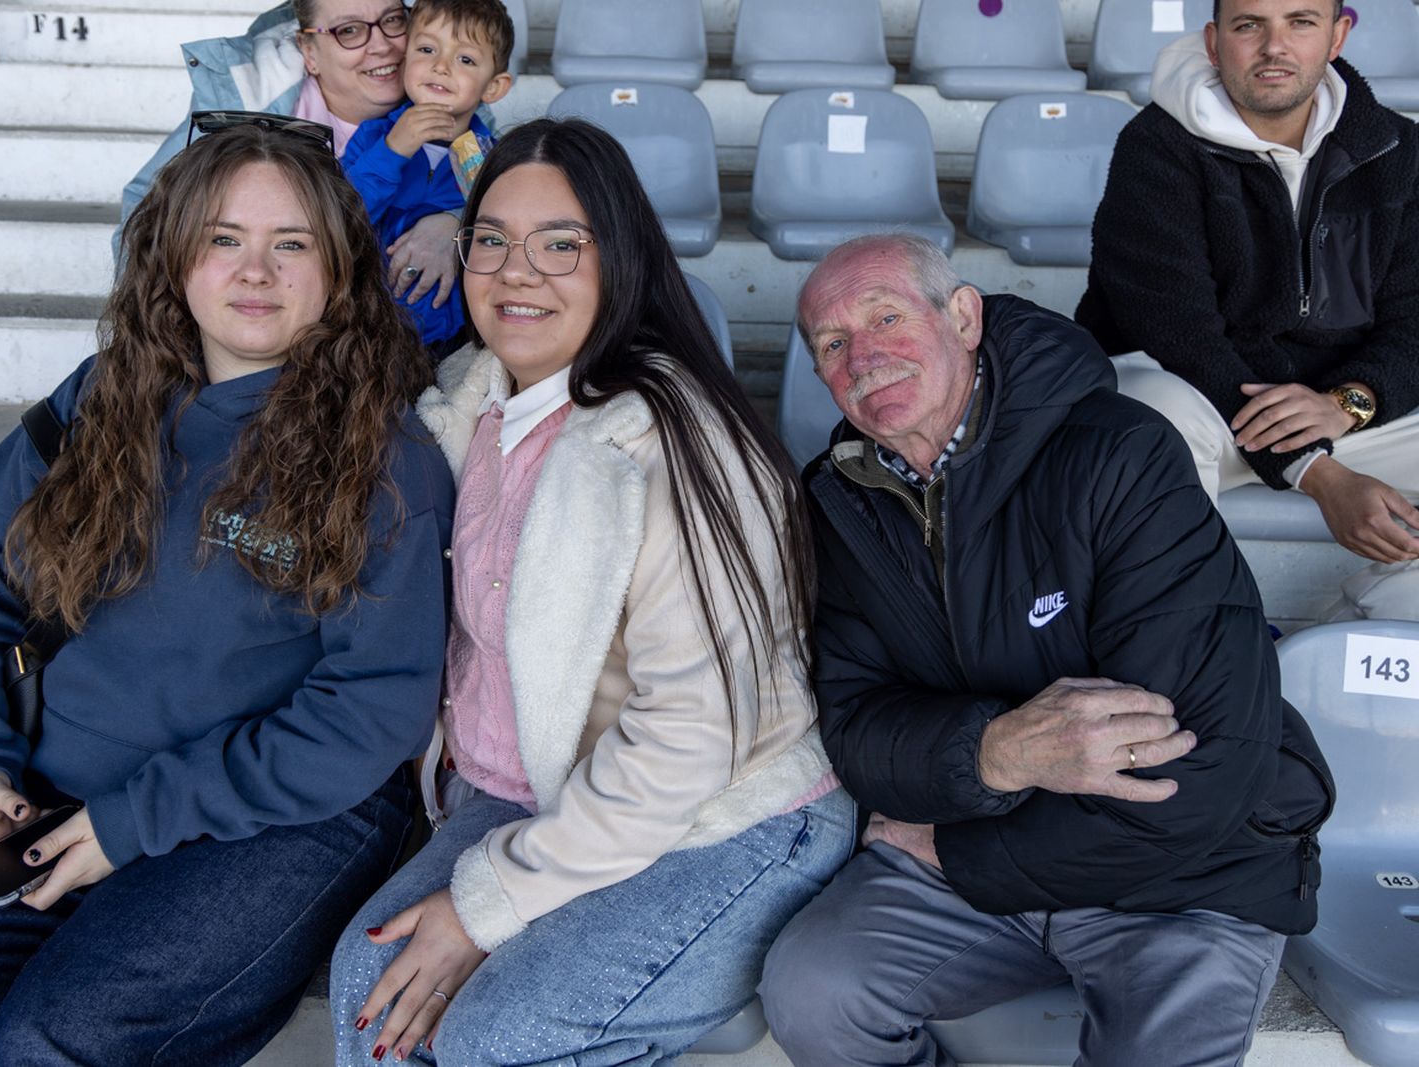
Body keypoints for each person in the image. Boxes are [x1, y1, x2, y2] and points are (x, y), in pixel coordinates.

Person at [0, 121, 454, 1065]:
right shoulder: (101, 400)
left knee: (56, 1039)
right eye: (222, 238)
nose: (256, 271)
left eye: (292, 244)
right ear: (175, 255)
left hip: (278, 816)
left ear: (338, 271)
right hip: (55, 792)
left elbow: (371, 710)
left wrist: (133, 822)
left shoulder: (387, 457)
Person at [328, 118, 850, 1066]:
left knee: (502, 1036)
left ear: (621, 259)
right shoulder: (464, 404)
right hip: (532, 788)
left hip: (726, 813)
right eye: (492, 238)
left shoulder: (675, 445)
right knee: (370, 990)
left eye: (561, 243)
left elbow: (687, 744)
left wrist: (482, 905)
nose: (518, 271)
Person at [758, 234, 1335, 1067]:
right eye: (833, 343)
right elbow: (859, 732)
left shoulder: (1120, 451)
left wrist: (957, 845)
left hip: (1183, 882)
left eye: (886, 317)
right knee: (814, 990)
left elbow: (1195, 774)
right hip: (967, 874)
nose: (865, 356)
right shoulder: (839, 502)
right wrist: (995, 752)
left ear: (962, 317)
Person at [1076, 0, 1419, 596]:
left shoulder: (1397, 150)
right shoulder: (1157, 148)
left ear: (1337, 36)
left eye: (1301, 22)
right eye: (1249, 25)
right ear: (1214, 43)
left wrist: (1349, 402)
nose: (1274, 47)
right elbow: (1182, 339)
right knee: (1150, 419)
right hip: (1204, 404)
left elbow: (1414, 321)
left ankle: (1373, 623)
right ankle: (1172, 644)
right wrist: (1316, 471)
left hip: (1334, 407)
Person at [119, 0, 476, 318]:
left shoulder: (447, 93)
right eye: (349, 31)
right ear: (309, 51)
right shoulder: (250, 100)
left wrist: (455, 224)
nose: (382, 45)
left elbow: (492, 184)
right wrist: (155, 323)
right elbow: (146, 211)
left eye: (394, 21)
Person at [340, 0, 514, 357]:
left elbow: (507, 238)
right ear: (404, 61)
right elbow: (338, 218)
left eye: (465, 59)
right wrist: (393, 151)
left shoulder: (497, 160)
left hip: (455, 341)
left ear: (493, 87)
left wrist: (457, 219)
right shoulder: (373, 139)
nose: (440, 66)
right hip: (361, 330)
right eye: (426, 49)